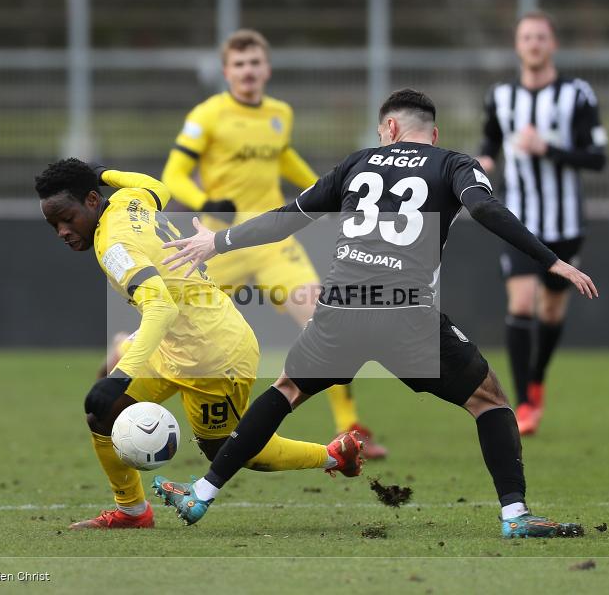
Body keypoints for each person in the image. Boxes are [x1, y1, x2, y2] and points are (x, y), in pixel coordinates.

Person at [153, 89, 598, 538]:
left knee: (286, 391)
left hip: (340, 308)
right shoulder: (453, 163)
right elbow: (484, 207)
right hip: (406, 313)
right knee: (490, 401)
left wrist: (218, 241)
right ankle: (515, 515)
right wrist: (552, 261)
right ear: (433, 132)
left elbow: (289, 217)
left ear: (389, 127)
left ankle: (201, 494)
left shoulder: (357, 162)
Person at [34, 159, 364, 530]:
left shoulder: (113, 245)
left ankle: (334, 455)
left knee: (227, 450)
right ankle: (131, 512)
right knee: (102, 414)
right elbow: (157, 186)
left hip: (215, 353)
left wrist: (120, 375)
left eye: (66, 218)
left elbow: (160, 307)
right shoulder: (130, 199)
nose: (62, 231)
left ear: (93, 200)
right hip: (174, 345)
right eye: (53, 225)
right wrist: (103, 173)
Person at [160, 28, 387, 458]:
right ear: (227, 72)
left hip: (271, 240)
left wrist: (336, 191)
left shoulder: (280, 113)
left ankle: (350, 428)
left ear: (266, 69)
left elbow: (282, 157)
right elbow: (172, 173)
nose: (248, 71)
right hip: (215, 243)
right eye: (239, 64)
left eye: (254, 63)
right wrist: (202, 199)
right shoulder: (207, 115)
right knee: (169, 324)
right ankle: (119, 383)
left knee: (325, 321)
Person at [476, 10, 607, 435]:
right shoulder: (500, 96)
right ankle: (525, 403)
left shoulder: (577, 94)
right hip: (520, 220)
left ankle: (537, 381)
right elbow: (491, 139)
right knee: (520, 303)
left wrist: (546, 148)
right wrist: (485, 160)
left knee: (551, 310)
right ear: (517, 46)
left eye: (540, 37)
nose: (533, 43)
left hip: (565, 222)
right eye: (526, 37)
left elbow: (596, 157)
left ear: (552, 45)